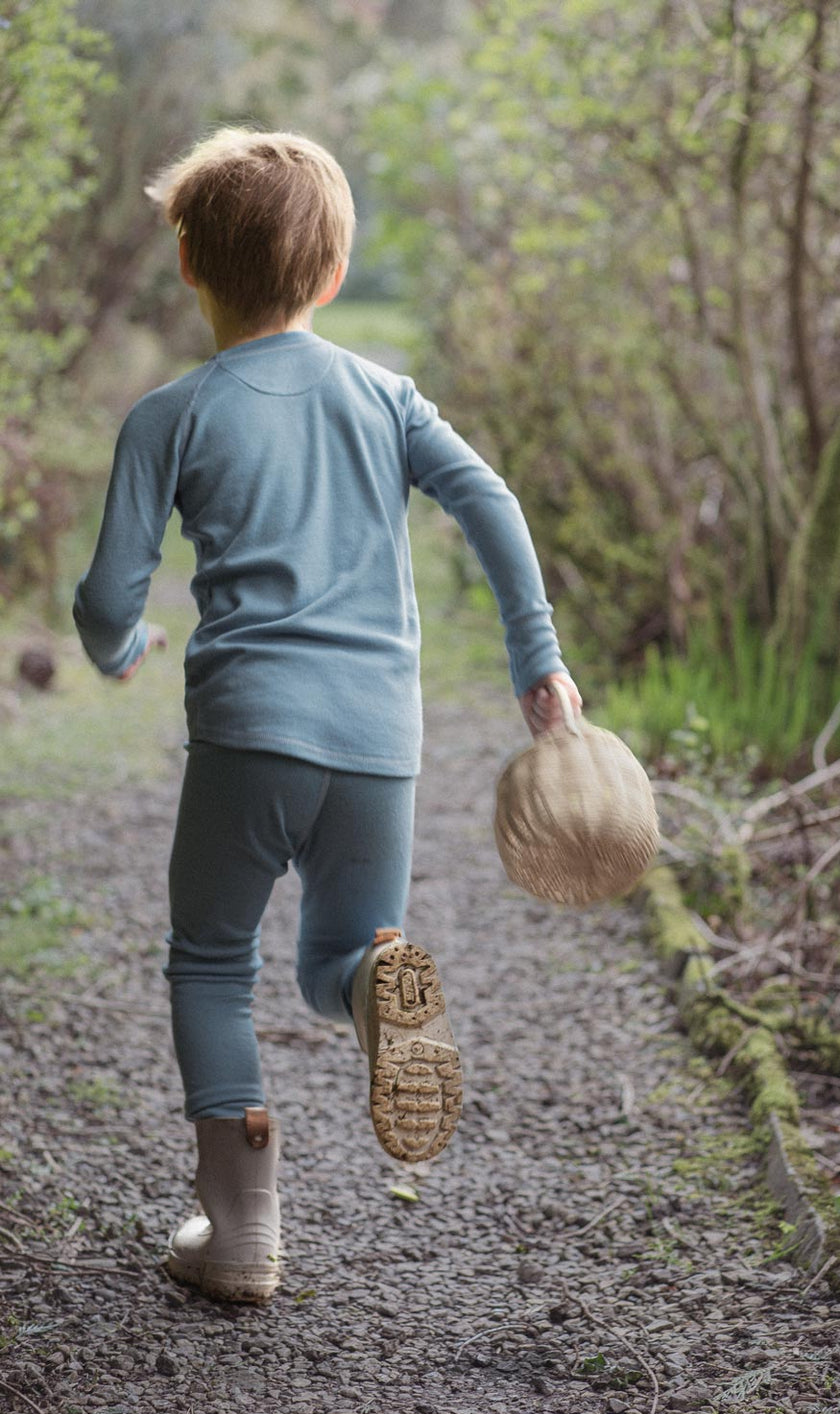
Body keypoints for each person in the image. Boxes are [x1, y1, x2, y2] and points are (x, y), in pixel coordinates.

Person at [72, 128, 581, 1304]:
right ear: (336, 272)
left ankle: (242, 1232)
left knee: (209, 960)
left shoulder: (171, 414)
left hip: (248, 731)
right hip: (375, 742)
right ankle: (376, 984)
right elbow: (488, 500)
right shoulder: (385, 397)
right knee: (340, 952)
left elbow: (108, 595)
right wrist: (535, 657)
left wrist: (117, 648)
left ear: (190, 263)